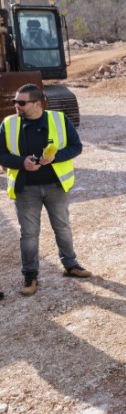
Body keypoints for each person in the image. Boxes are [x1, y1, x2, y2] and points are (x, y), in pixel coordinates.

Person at [0, 83, 90, 296]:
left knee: (62, 227)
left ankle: (71, 265)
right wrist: (22, 163)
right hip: (25, 189)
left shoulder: (59, 120)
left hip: (55, 186)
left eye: (21, 102)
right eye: (15, 102)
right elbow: (1, 154)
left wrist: (55, 157)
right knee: (29, 235)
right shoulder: (8, 124)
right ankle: (30, 276)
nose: (16, 106)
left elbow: (76, 147)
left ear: (37, 104)